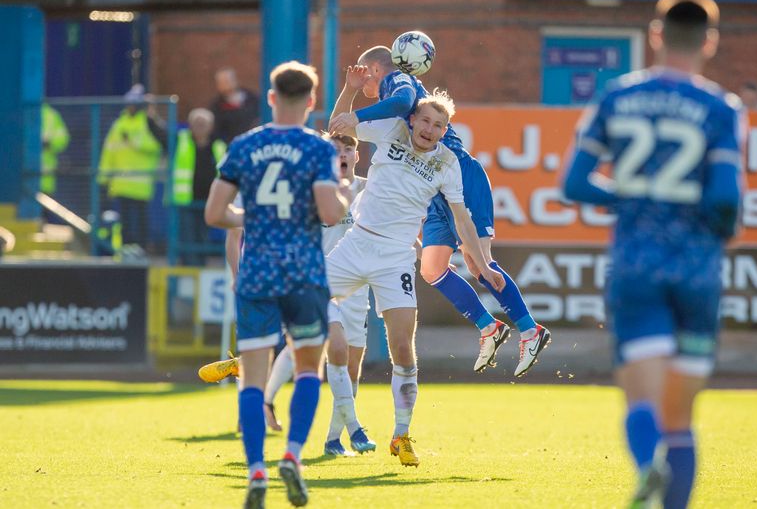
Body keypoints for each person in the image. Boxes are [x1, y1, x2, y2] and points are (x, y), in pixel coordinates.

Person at [561, 0, 743, 509]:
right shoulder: (721, 107)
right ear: (709, 41)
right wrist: (712, 226)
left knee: (642, 400)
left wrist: (633, 198)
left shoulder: (617, 95)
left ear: (656, 34)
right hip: (697, 269)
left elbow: (573, 183)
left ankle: (647, 469)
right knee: (680, 418)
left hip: (637, 264)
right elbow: (727, 198)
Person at [329, 46, 551, 377]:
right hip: (432, 187)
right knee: (431, 269)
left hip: (457, 175)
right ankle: (489, 327)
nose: (365, 86)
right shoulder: (396, 115)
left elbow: (403, 103)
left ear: (376, 69)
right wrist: (350, 93)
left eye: (365, 77)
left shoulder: (397, 80)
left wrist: (359, 113)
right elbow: (339, 127)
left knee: (479, 262)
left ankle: (530, 329)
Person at [328, 88, 505, 467]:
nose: (430, 128)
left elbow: (462, 219)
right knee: (303, 300)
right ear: (412, 120)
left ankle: (402, 434)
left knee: (404, 349)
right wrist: (349, 88)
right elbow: (339, 126)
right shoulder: (390, 130)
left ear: (444, 131)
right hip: (357, 243)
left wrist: (484, 263)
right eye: (425, 120)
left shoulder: (447, 164)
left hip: (395, 257)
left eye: (439, 125)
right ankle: (252, 359)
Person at [205, 61, 352, 509]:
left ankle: (255, 470)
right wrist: (343, 189)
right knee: (309, 367)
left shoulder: (245, 146)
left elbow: (215, 214)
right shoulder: (316, 149)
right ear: (311, 102)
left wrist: (249, 217)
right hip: (303, 272)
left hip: (257, 270)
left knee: (252, 377)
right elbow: (330, 213)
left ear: (271, 98)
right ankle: (291, 455)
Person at [198, 134, 380, 454]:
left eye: (348, 149)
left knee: (347, 365)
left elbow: (387, 221)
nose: (342, 154)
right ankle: (349, 429)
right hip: (318, 282)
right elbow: (245, 231)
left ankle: (329, 437)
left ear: (357, 155)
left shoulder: (368, 189)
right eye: (335, 150)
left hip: (356, 289)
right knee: (322, 347)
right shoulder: (312, 190)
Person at [98, 84, 166, 248]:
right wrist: (103, 179)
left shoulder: (148, 123)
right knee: (125, 222)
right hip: (120, 184)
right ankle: (126, 249)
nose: (130, 107)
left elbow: (160, 146)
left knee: (141, 221)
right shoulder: (119, 124)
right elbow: (109, 152)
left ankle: (142, 249)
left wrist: (134, 143)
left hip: (141, 185)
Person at [172, 108, 227, 265]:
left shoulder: (219, 146)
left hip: (210, 201)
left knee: (203, 236)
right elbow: (160, 135)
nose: (200, 127)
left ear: (211, 126)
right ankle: (190, 266)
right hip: (186, 201)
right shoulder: (180, 141)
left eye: (204, 124)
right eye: (196, 123)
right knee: (188, 236)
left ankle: (201, 265)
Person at [210, 68, 261, 144]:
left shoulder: (252, 98)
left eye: (227, 80)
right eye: (222, 82)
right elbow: (217, 131)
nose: (226, 84)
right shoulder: (216, 107)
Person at [40, 102, 70, 197]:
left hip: (45, 176)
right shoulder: (52, 115)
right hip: (28, 174)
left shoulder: (51, 115)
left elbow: (63, 139)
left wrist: (49, 144)